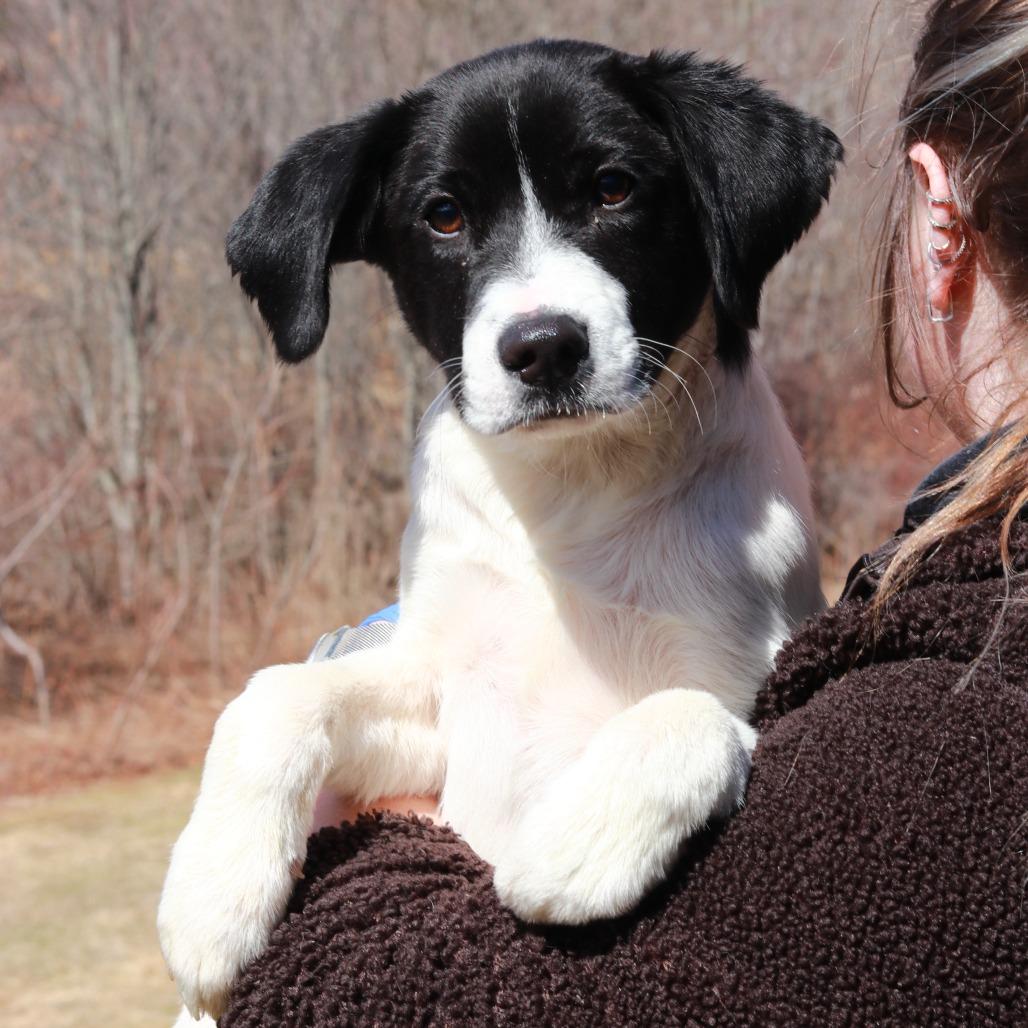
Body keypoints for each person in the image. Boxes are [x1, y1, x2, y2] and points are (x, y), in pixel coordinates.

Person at [218, 2, 1028, 1024]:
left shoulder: (931, 703)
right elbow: (436, 701)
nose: (534, 313)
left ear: (938, 218)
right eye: (446, 218)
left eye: (607, 188)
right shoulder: (464, 485)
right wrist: (286, 726)